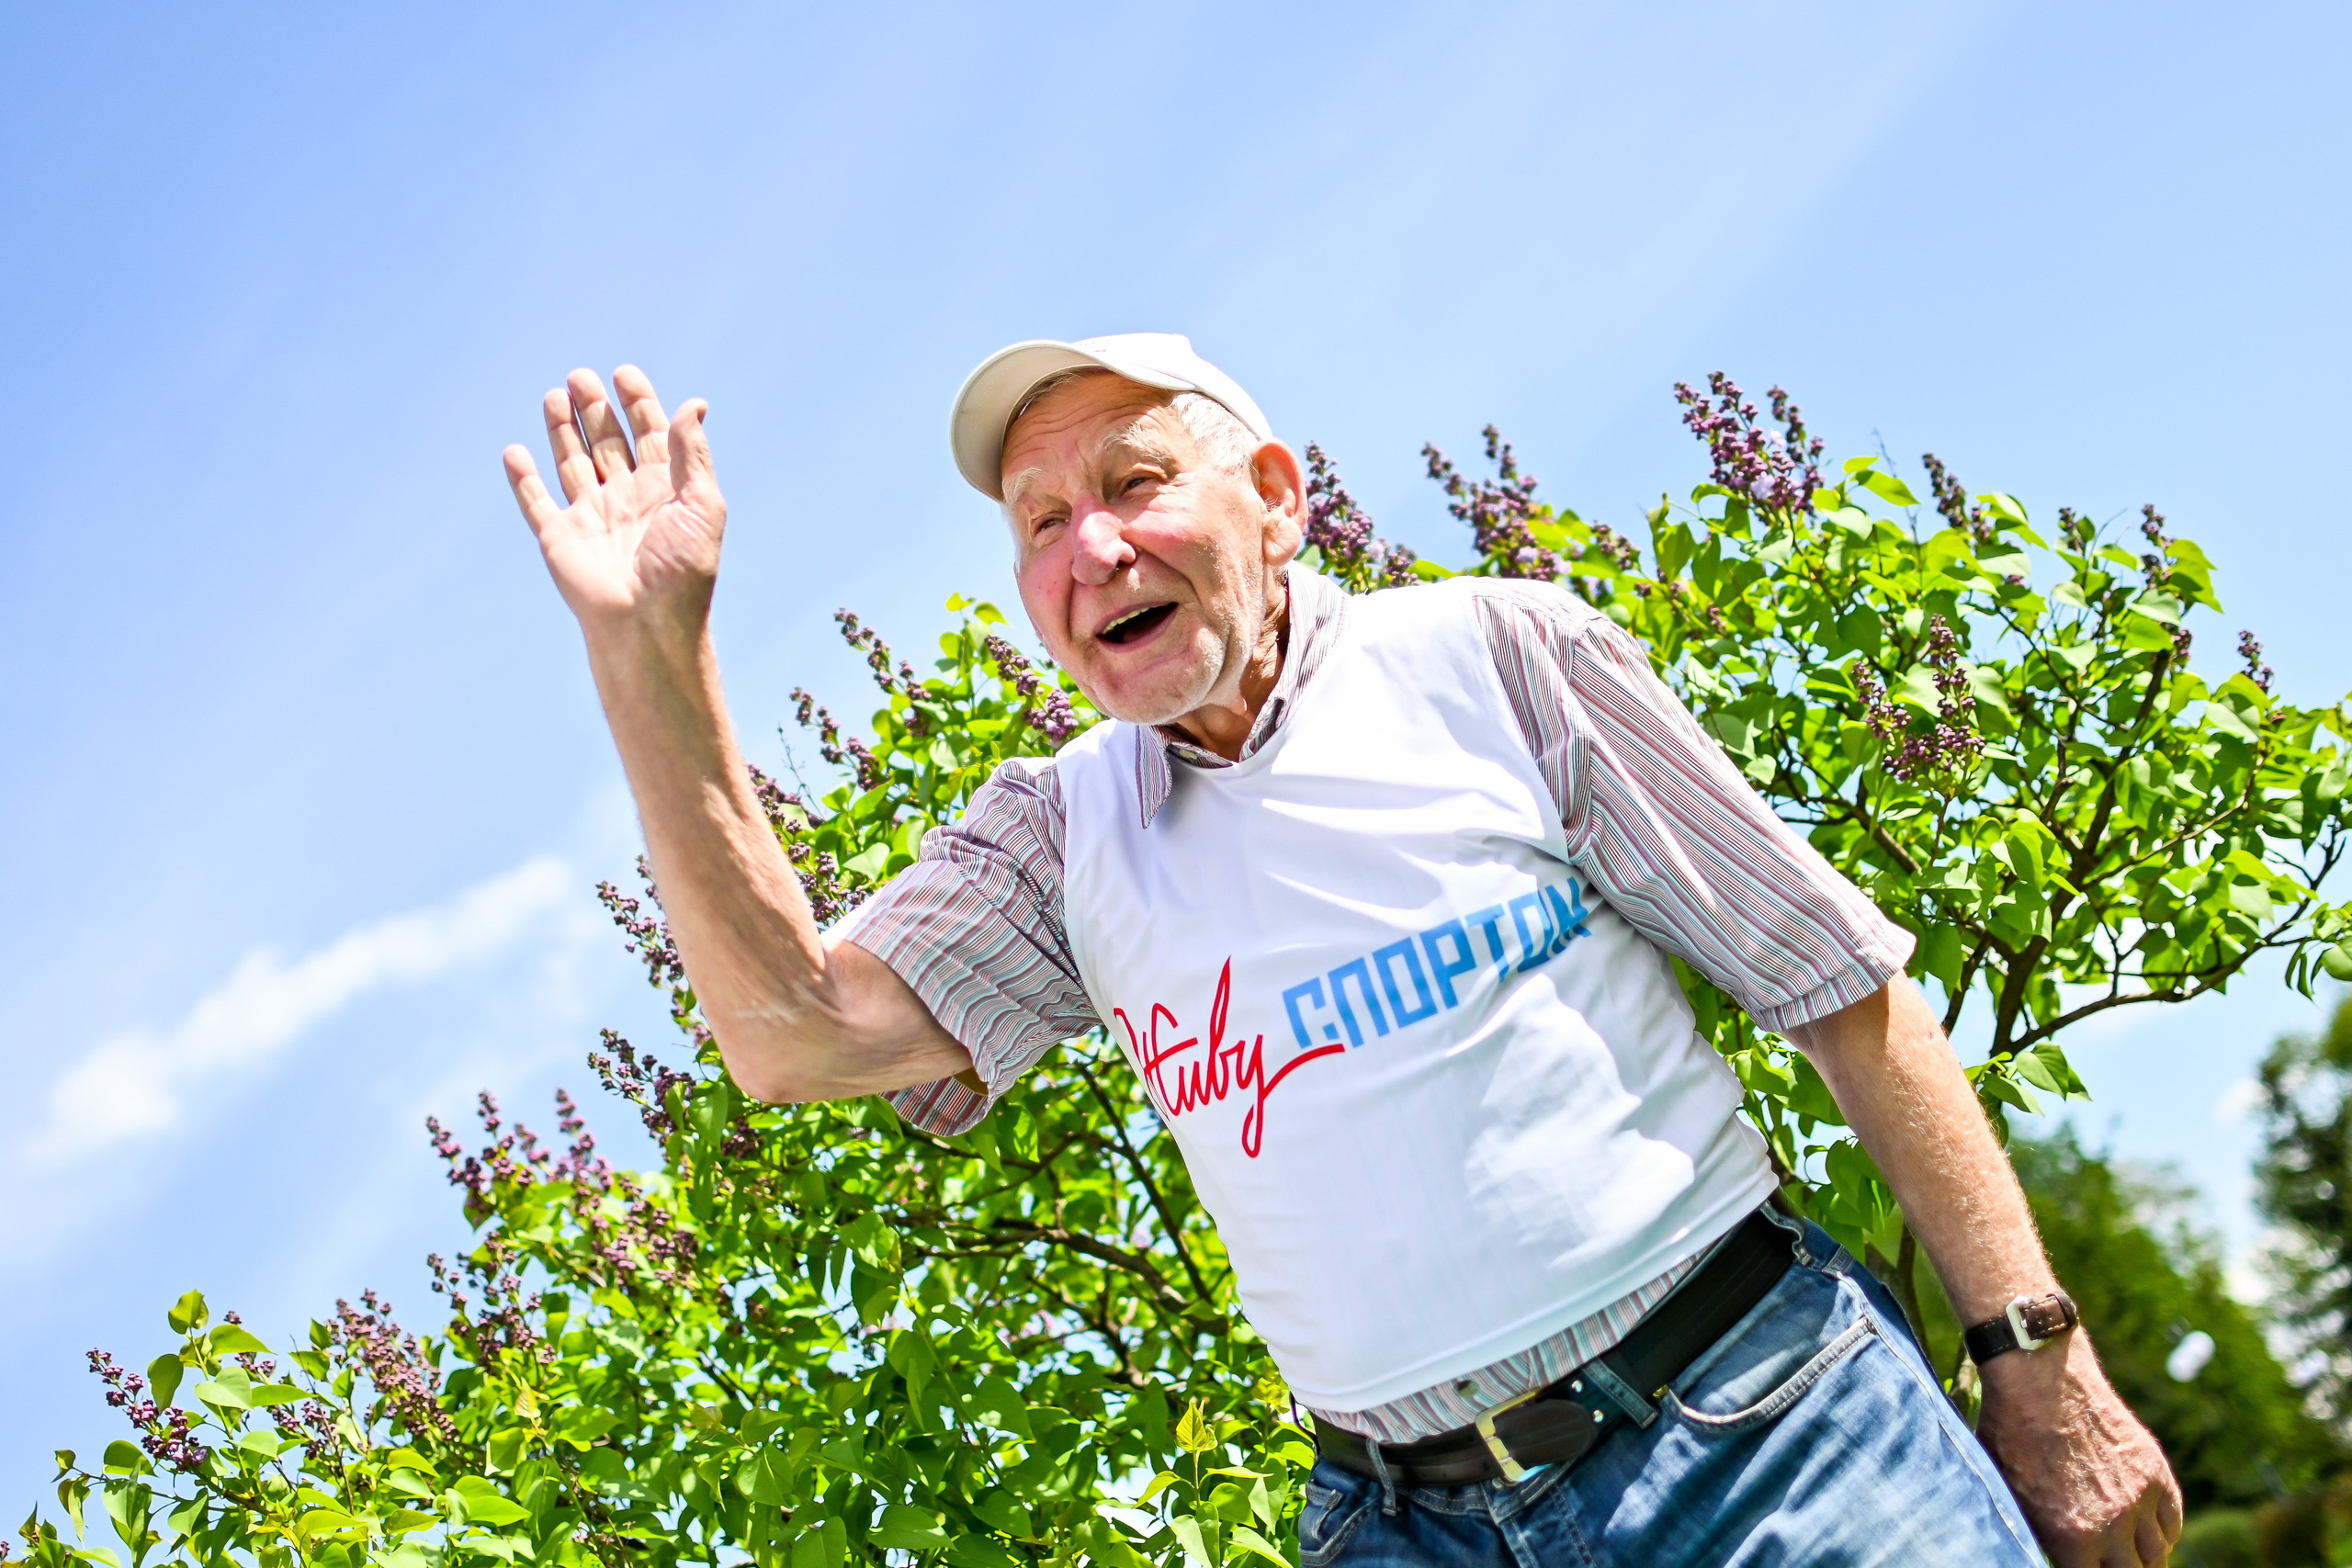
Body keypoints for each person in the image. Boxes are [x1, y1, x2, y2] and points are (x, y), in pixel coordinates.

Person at [503, 334, 2183, 1566]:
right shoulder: (1056, 834)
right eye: (1037, 525)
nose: (1086, 552)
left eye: (1133, 485)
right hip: (1405, 1525)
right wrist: (655, 655)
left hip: (1766, 1435)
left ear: (1280, 502)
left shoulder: (1499, 661)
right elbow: (795, 1035)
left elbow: (1841, 990)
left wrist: (2041, 1364)